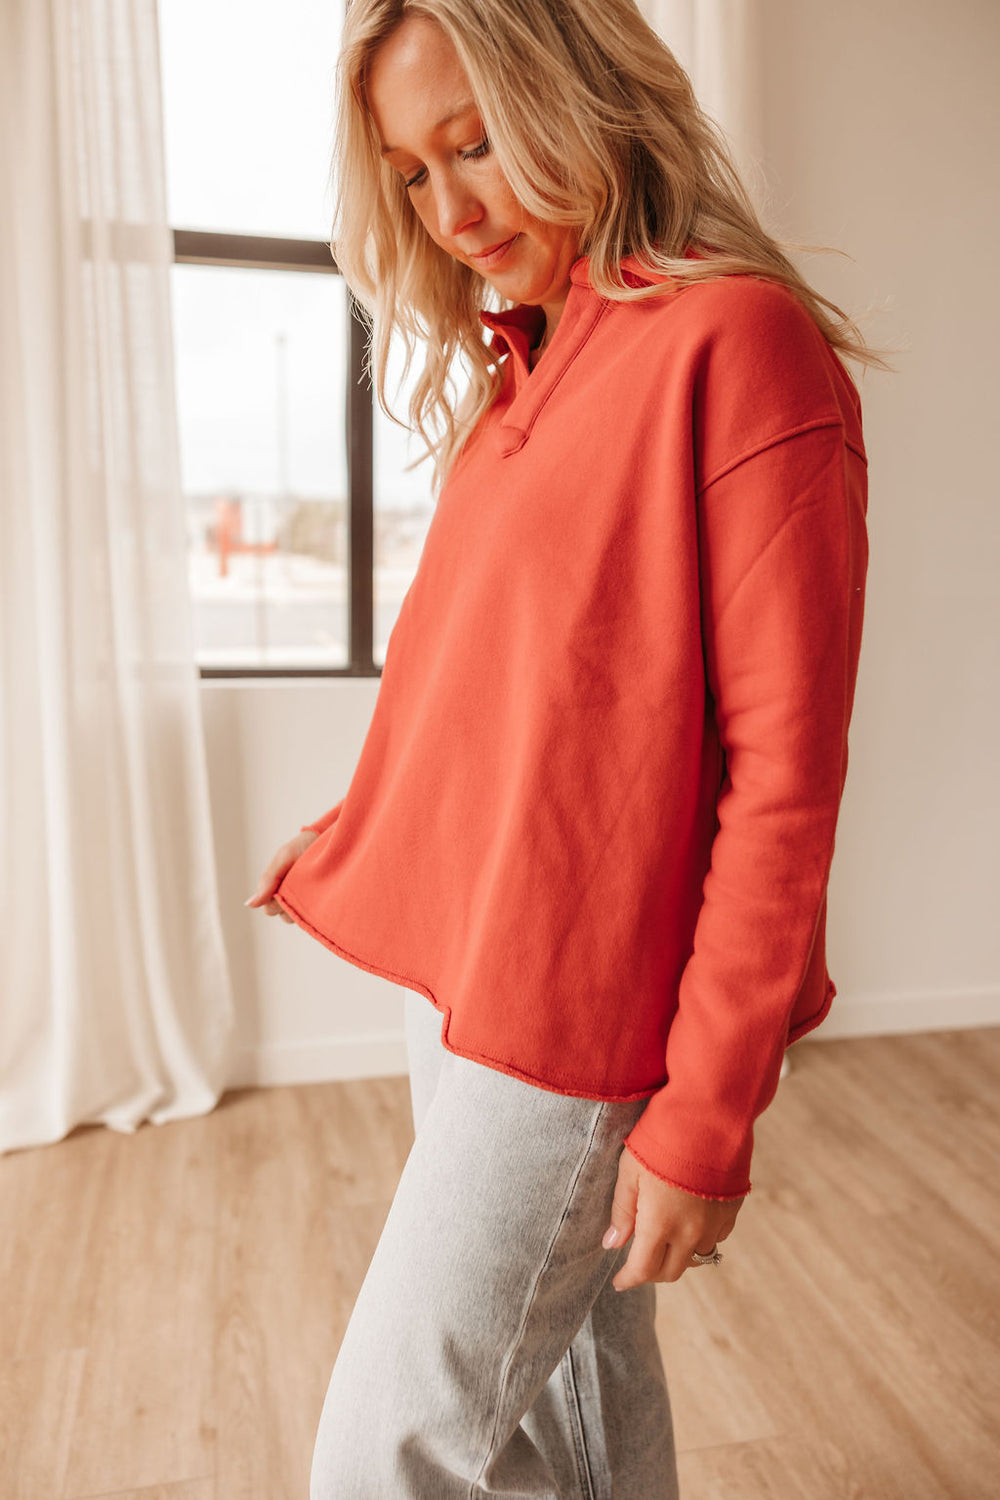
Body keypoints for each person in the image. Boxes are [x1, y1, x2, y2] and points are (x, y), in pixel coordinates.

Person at [245, 1, 889, 1494]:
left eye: (477, 145)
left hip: (589, 1011)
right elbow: (515, 700)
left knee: (384, 1451)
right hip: (480, 976)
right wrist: (358, 830)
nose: (451, 210)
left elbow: (784, 778)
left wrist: (704, 1114)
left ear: (579, 98)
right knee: (581, 1401)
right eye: (412, 174)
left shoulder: (739, 345)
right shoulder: (521, 375)